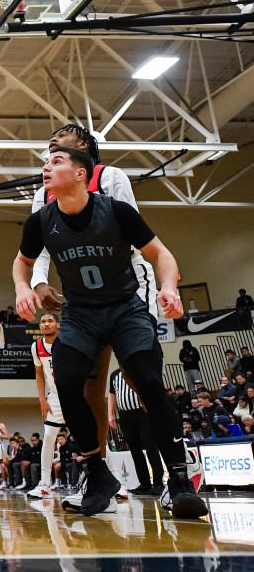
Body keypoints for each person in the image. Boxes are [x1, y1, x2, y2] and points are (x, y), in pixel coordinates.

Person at [13, 146, 207, 519]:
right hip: (81, 313)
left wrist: (169, 287)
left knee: (148, 379)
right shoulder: (40, 221)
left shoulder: (116, 210)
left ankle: (179, 480)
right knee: (67, 381)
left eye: (56, 162)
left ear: (82, 174)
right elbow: (21, 264)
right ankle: (97, 474)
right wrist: (24, 288)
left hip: (124, 308)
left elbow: (161, 254)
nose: (45, 166)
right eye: (46, 161)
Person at [109, 367, 164, 496]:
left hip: (142, 413)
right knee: (135, 450)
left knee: (151, 447)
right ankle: (144, 484)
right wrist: (110, 414)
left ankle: (158, 483)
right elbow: (112, 395)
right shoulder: (114, 375)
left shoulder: (137, 370)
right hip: (124, 416)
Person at [28, 312, 65, 499]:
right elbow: (39, 373)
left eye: (50, 321)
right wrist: (42, 399)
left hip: (73, 395)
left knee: (89, 435)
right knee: (49, 436)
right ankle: (44, 484)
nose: (46, 324)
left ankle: (114, 480)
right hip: (55, 398)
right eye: (43, 321)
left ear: (58, 325)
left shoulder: (67, 342)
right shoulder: (36, 347)